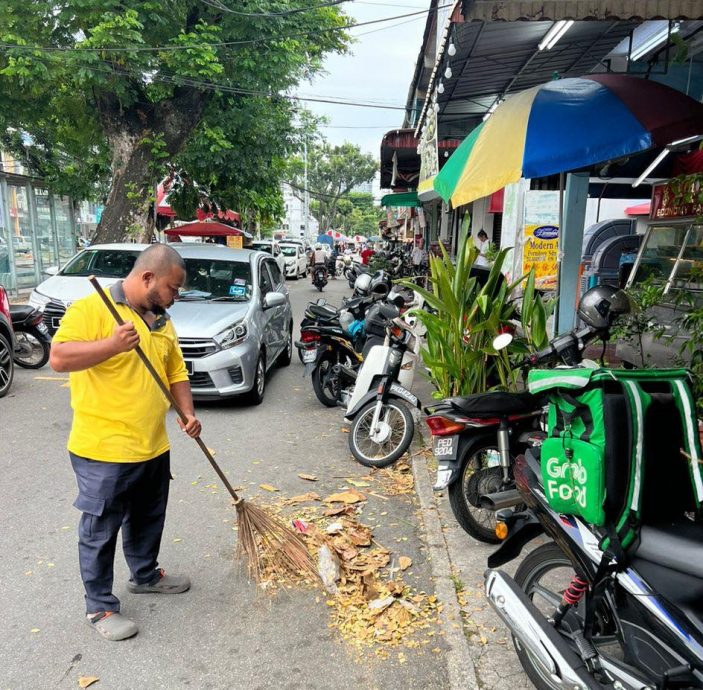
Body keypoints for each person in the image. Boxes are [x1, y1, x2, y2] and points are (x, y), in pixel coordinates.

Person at [50, 243, 201, 642]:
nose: (175, 296)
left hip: (153, 443)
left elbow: (176, 370)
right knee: (100, 529)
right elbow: (60, 358)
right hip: (103, 449)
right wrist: (112, 345)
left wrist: (187, 412)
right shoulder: (91, 309)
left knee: (149, 516)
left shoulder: (161, 320)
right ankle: (99, 606)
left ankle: (145, 575)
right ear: (148, 277)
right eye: (173, 287)